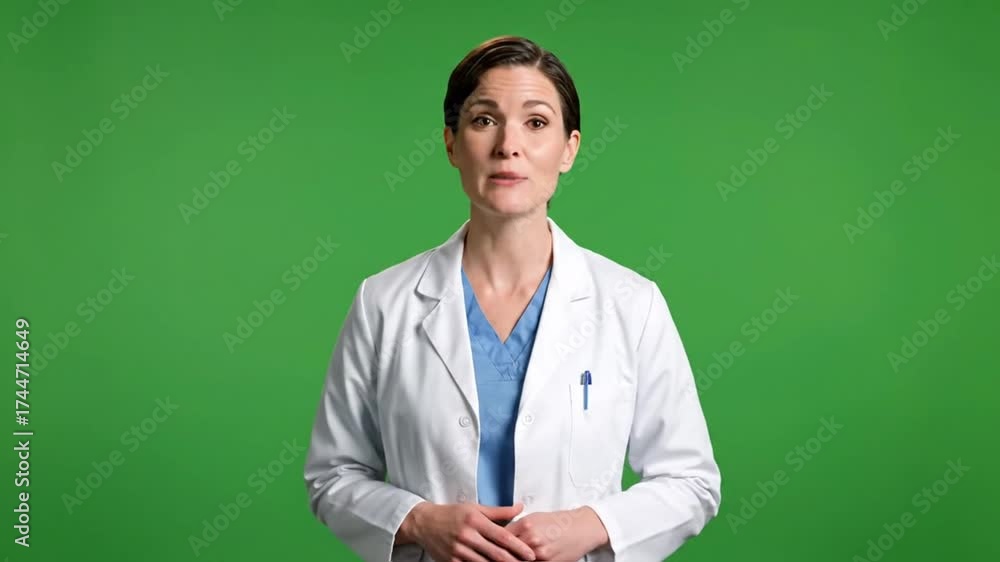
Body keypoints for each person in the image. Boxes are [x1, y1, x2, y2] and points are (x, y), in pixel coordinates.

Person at [304, 35, 721, 562]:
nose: (508, 145)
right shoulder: (384, 302)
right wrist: (419, 521)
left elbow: (691, 482)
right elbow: (333, 475)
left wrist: (590, 525)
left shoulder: (631, 304)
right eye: (484, 120)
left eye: (536, 122)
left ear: (569, 149)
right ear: (452, 144)